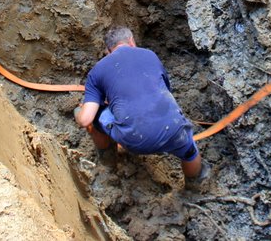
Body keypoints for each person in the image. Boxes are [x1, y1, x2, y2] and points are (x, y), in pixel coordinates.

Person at [75, 26, 211, 187]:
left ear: (108, 50)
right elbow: (166, 90)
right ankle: (193, 187)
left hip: (134, 140)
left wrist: (79, 110)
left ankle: (109, 164)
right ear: (131, 41)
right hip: (173, 129)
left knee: (93, 115)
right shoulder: (150, 55)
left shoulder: (97, 71)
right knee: (189, 150)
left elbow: (85, 120)